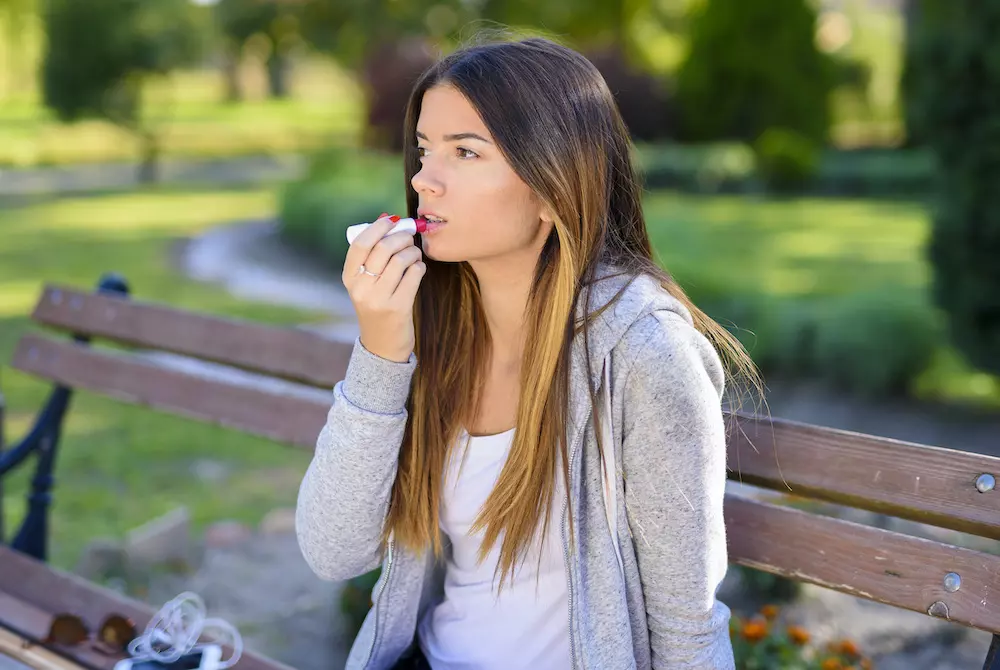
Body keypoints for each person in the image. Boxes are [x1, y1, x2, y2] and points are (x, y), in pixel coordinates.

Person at [295, 33, 763, 670]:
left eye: (464, 152)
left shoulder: (646, 354)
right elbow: (333, 550)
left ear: (552, 185)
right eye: (425, 149)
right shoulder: (430, 323)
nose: (422, 180)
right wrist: (379, 351)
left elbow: (686, 622)